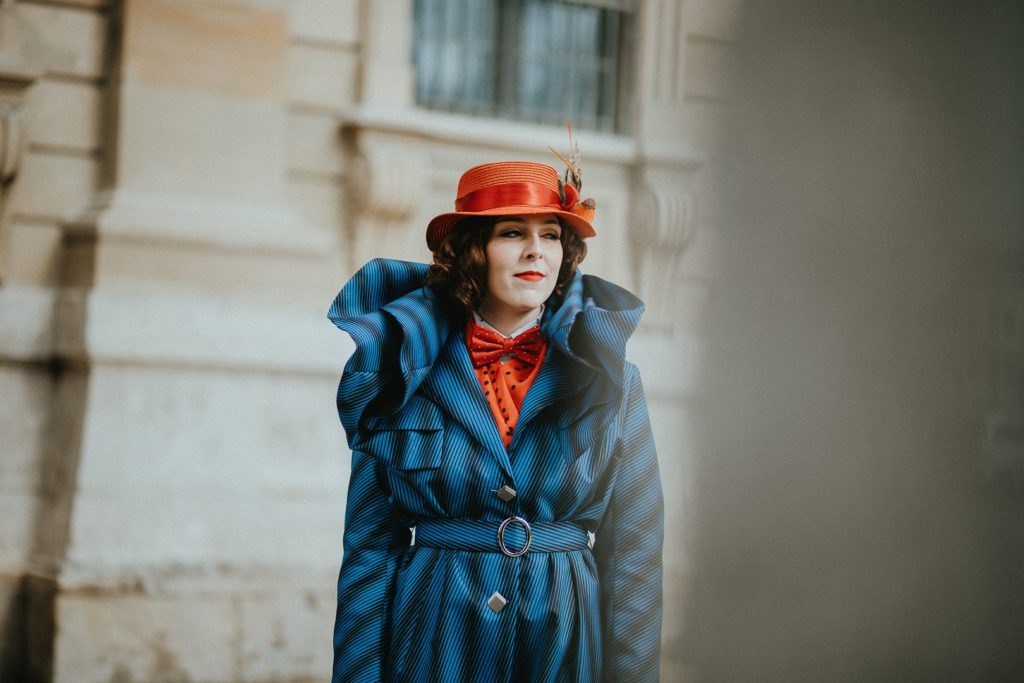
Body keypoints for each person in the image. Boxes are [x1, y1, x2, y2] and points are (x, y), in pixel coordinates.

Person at [327, 159, 663, 682]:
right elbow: (368, 550)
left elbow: (635, 558)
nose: (536, 251)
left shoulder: (612, 381)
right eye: (512, 233)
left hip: (565, 638)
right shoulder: (402, 371)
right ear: (472, 252)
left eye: (550, 235)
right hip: (436, 633)